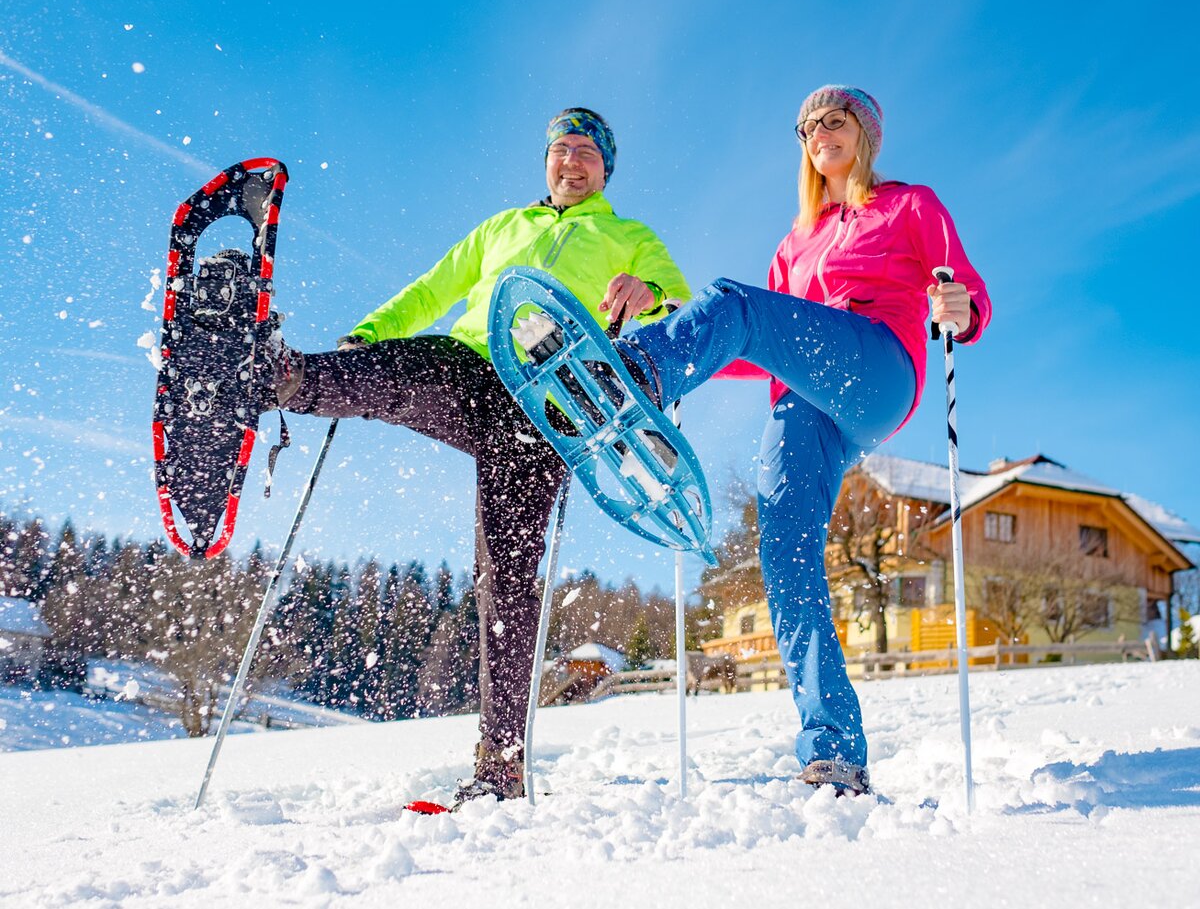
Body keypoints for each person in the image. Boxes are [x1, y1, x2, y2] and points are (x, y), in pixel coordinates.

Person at [256, 107, 691, 805]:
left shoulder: (629, 236)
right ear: (546, 161)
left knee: (507, 578)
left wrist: (650, 294)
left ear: (605, 169)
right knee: (402, 369)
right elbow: (435, 288)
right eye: (561, 150)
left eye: (585, 153)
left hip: (548, 397)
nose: (571, 162)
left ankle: (500, 767)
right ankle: (282, 377)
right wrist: (368, 333)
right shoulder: (502, 227)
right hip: (470, 365)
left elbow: (678, 307)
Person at [605, 85, 991, 794]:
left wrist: (960, 311)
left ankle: (631, 376)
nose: (819, 133)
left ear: (865, 134)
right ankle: (834, 749)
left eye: (834, 120)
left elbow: (963, 294)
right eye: (808, 126)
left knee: (732, 303)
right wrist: (702, 347)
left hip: (877, 366)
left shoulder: (909, 205)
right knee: (784, 559)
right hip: (803, 404)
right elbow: (762, 343)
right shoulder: (796, 241)